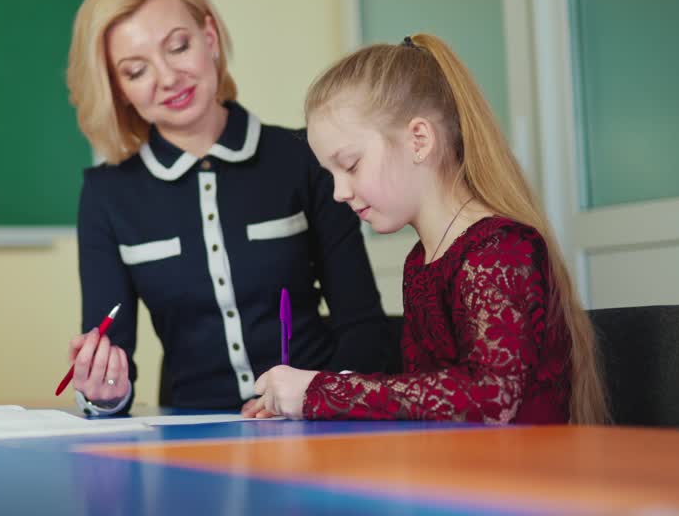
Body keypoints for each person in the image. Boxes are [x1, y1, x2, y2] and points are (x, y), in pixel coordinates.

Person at [62, 0, 393, 416]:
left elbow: (364, 328)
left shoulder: (304, 157)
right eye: (136, 70)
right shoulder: (106, 195)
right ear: (118, 89)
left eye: (178, 46)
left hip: (318, 423)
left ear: (210, 39)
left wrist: (322, 402)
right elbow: (114, 370)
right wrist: (103, 392)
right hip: (190, 437)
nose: (167, 77)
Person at [243, 33, 608, 424]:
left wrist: (321, 392)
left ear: (419, 139)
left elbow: (494, 399)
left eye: (349, 165)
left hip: (522, 481)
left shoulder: (499, 250)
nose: (339, 192)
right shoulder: (421, 261)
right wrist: (314, 396)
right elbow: (426, 394)